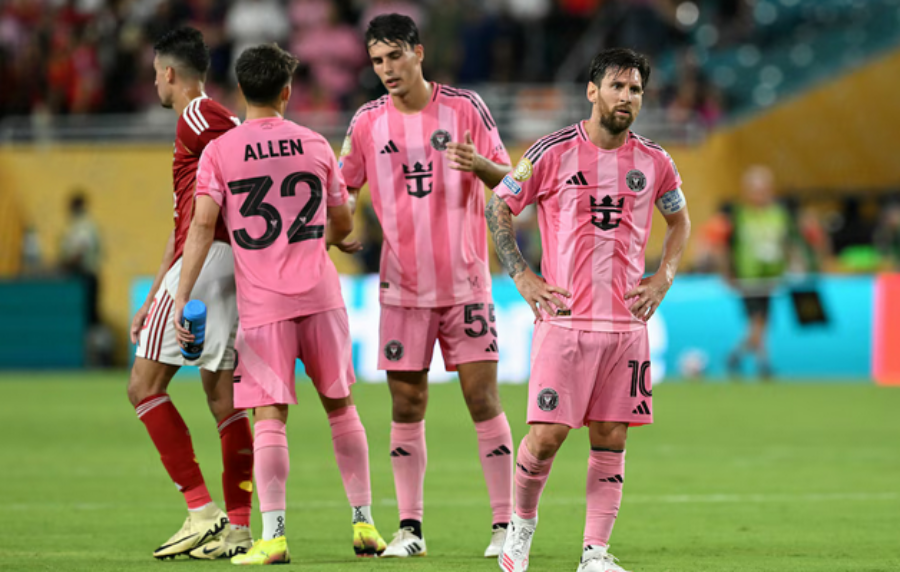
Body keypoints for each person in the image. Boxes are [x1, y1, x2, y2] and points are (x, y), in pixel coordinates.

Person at [173, 43, 387, 565]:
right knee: (341, 407)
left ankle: (273, 537)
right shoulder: (314, 144)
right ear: (288, 92)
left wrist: (183, 296)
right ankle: (364, 524)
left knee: (270, 417)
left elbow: (202, 226)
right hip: (320, 295)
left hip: (264, 304)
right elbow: (342, 222)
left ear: (240, 91)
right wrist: (333, 237)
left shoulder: (219, 153)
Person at [486, 48, 691, 572]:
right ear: (592, 91)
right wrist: (522, 275)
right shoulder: (551, 152)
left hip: (626, 325)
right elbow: (499, 206)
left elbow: (680, 224)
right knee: (548, 436)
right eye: (617, 87)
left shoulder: (656, 162)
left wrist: (662, 279)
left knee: (612, 437)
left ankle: (594, 553)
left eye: (636, 90)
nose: (627, 97)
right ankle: (519, 532)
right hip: (566, 322)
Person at [336, 13, 515, 559]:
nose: (386, 69)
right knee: (406, 403)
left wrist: (479, 163)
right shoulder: (367, 121)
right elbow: (343, 187)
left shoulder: (465, 108)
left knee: (482, 398)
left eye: (394, 56)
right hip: (401, 289)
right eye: (377, 60)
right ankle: (410, 529)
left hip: (465, 285)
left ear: (417, 52)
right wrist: (339, 228)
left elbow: (512, 183)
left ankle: (507, 527)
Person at [126, 27, 252, 560]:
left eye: (156, 73)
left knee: (143, 386)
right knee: (223, 398)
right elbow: (184, 220)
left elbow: (250, 151)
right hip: (214, 263)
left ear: (171, 74)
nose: (154, 81)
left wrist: (176, 291)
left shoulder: (200, 115)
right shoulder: (194, 125)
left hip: (207, 264)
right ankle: (238, 529)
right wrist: (155, 292)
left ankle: (201, 510)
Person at [724, 165, 791, 379]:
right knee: (758, 320)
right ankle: (763, 364)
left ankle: (738, 355)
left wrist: (787, 267)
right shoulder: (739, 216)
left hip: (771, 278)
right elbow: (727, 245)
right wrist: (728, 273)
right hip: (748, 279)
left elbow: (786, 242)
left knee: (762, 321)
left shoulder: (779, 215)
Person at [59, 191, 101, 326]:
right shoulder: (79, 226)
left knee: (86, 314)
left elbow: (80, 251)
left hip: (84, 276)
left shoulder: (83, 226)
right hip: (82, 276)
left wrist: (65, 267)